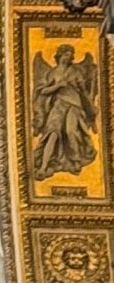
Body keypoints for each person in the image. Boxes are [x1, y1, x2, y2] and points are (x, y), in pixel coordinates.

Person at [32, 42, 100, 180]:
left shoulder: (76, 71)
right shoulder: (52, 72)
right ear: (60, 55)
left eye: (70, 55)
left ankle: (75, 160)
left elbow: (84, 92)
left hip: (74, 105)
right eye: (66, 54)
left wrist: (91, 108)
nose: (68, 58)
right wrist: (57, 86)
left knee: (70, 131)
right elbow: (44, 91)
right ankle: (43, 167)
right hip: (58, 106)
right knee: (52, 135)